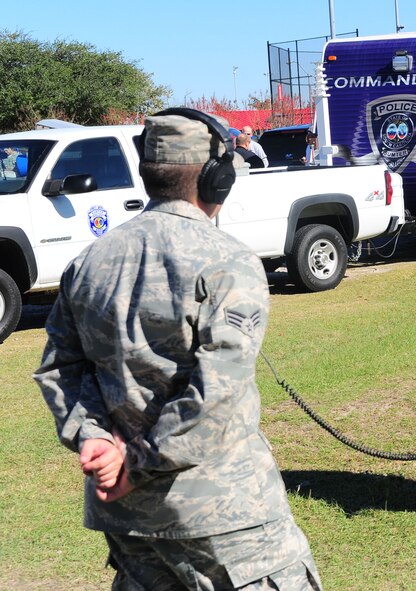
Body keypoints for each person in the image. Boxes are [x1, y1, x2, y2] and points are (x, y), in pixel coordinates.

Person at [33, 108, 323, 589]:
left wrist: (95, 438)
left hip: (127, 521)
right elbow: (216, 393)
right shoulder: (228, 260)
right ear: (217, 180)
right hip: (224, 517)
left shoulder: (89, 261)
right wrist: (138, 463)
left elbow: (60, 368)